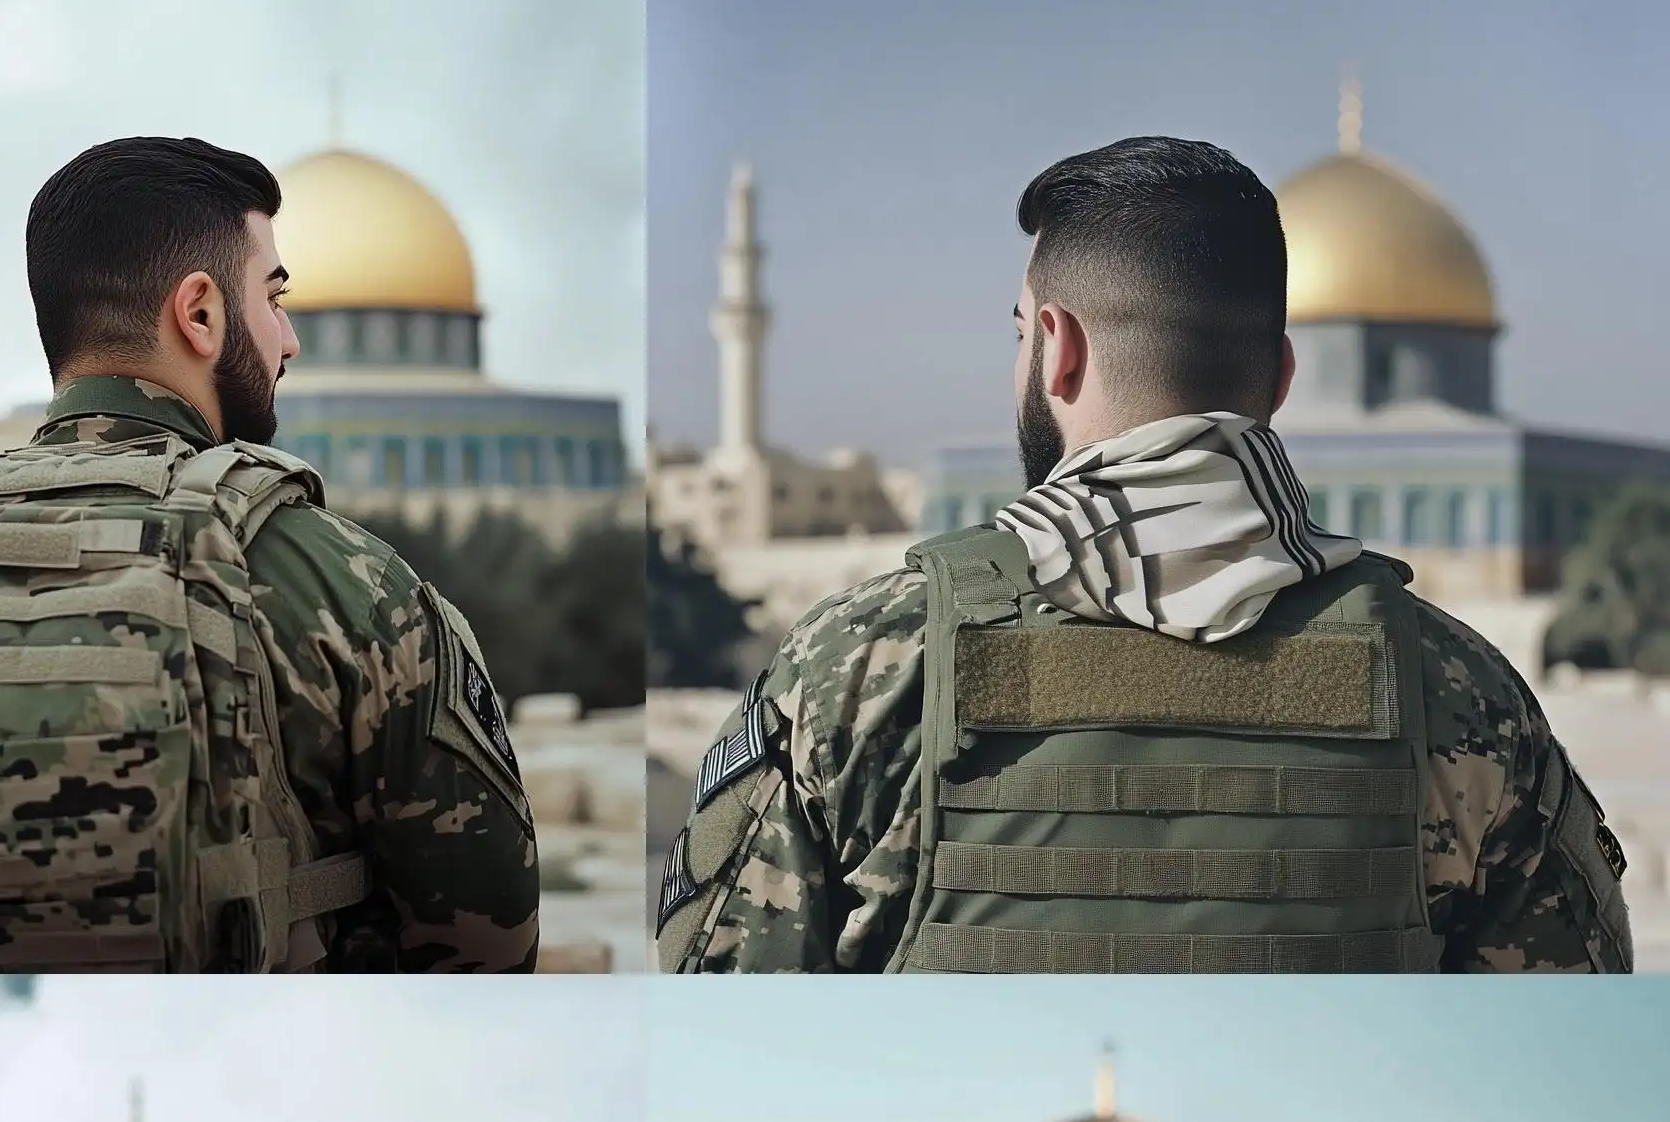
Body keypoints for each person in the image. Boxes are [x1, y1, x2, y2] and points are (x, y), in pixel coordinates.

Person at [658, 137, 1631, 974]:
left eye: (1016, 335)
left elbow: (716, 973)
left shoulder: (859, 667)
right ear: (1281, 375)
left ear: (1055, 348)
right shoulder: (1459, 692)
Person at [0, 136, 538, 973]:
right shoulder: (347, 584)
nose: (290, 340)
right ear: (199, 314)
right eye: (273, 299)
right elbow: (487, 933)